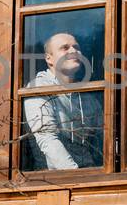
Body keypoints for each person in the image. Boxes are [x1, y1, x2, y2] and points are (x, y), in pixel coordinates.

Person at [24, 31, 101, 169]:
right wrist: (75, 175)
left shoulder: (87, 96)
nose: (74, 51)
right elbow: (47, 138)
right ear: (49, 59)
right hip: (55, 181)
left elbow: (103, 134)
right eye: (65, 48)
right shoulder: (38, 87)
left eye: (76, 47)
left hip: (90, 172)